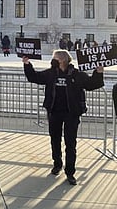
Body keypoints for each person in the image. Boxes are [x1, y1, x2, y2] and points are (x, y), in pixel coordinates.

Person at [22, 49, 104, 185]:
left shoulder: (76, 74)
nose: (53, 60)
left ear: (63, 60)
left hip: (71, 113)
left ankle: (70, 172)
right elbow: (34, 77)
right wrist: (27, 64)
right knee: (55, 139)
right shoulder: (51, 73)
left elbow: (91, 84)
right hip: (54, 111)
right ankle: (57, 164)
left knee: (70, 143)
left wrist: (98, 73)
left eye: (55, 58)